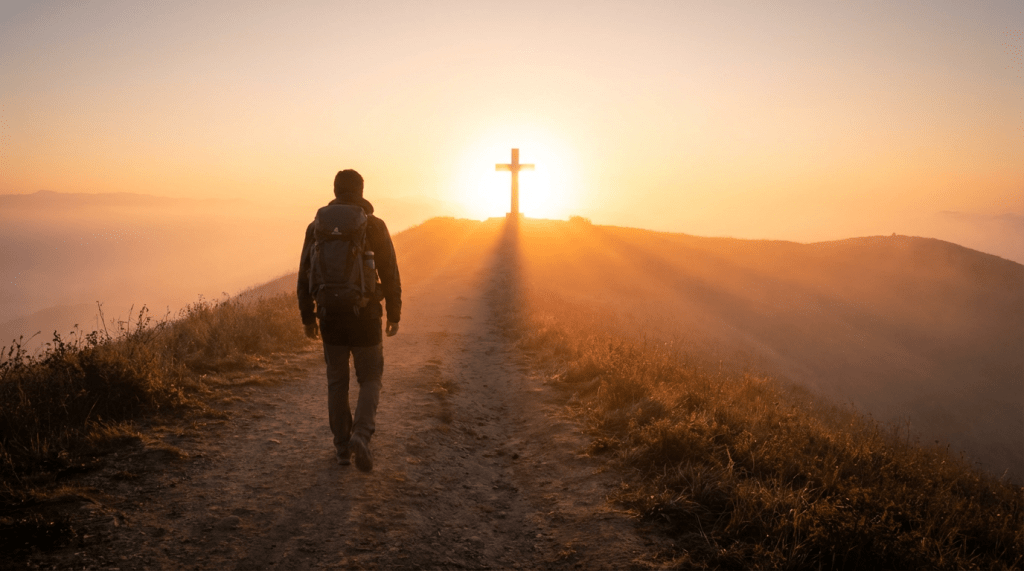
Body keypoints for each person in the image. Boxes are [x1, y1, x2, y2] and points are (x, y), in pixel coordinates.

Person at [298, 169, 402, 472]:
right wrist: (393, 314)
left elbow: (305, 274)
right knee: (370, 378)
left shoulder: (316, 227)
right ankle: (361, 434)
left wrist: (308, 318)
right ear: (361, 190)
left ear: (334, 190)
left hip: (330, 316)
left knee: (337, 381)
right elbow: (390, 273)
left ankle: (342, 448)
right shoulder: (374, 226)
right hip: (365, 314)